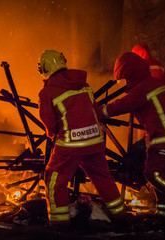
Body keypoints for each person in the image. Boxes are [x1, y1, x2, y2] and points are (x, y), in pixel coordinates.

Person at [37, 50, 124, 228]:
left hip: (69, 145)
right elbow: (96, 111)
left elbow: (49, 123)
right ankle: (122, 217)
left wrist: (53, 134)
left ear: (44, 69)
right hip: (94, 141)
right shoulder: (83, 85)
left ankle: (60, 225)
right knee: (103, 178)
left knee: (54, 180)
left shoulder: (47, 92)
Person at [102, 52, 165, 220]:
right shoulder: (155, 83)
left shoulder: (144, 88)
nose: (125, 82)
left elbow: (124, 104)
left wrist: (98, 111)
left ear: (131, 73)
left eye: (125, 78)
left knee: (153, 174)